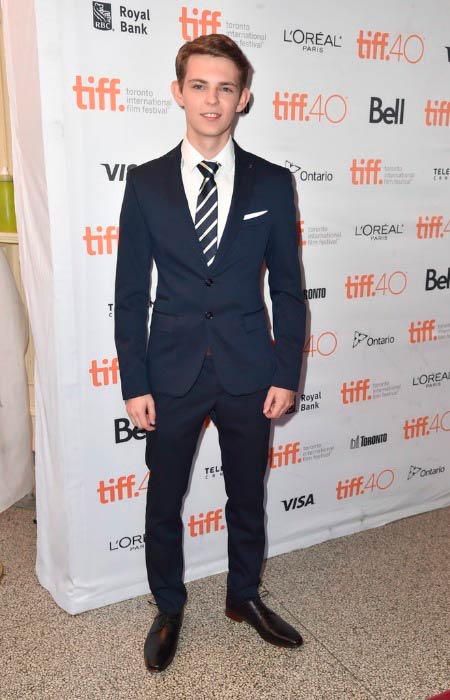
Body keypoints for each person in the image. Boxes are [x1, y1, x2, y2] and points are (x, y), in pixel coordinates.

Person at [114, 33, 306, 673]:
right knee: (163, 497)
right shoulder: (144, 185)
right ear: (178, 92)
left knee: (246, 494)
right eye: (199, 85)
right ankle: (169, 605)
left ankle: (242, 596)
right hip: (169, 371)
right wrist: (133, 380)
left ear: (244, 97)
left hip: (250, 370)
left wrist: (287, 371)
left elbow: (287, 286)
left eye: (226, 87)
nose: (212, 99)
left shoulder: (273, 184)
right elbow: (127, 289)